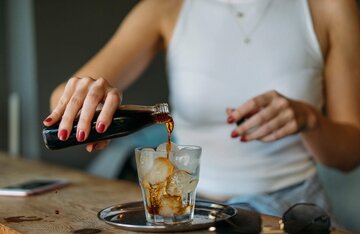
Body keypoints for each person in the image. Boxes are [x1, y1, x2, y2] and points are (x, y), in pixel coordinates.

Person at [43, 0, 360, 220]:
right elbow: (60, 98)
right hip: (190, 210)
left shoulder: (330, 8)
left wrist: (309, 120)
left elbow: (350, 155)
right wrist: (83, 97)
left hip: (292, 211)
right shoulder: (165, 9)